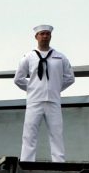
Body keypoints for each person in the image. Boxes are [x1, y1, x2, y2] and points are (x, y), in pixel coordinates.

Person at [14, 25, 75, 162]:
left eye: (47, 34)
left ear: (51, 36)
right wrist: (32, 88)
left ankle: (59, 162)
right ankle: (27, 161)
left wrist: (56, 88)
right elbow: (18, 78)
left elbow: (70, 78)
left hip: (53, 101)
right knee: (29, 133)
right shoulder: (29, 57)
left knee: (56, 133)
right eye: (42, 34)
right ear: (36, 37)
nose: (45, 36)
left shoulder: (59, 57)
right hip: (35, 101)